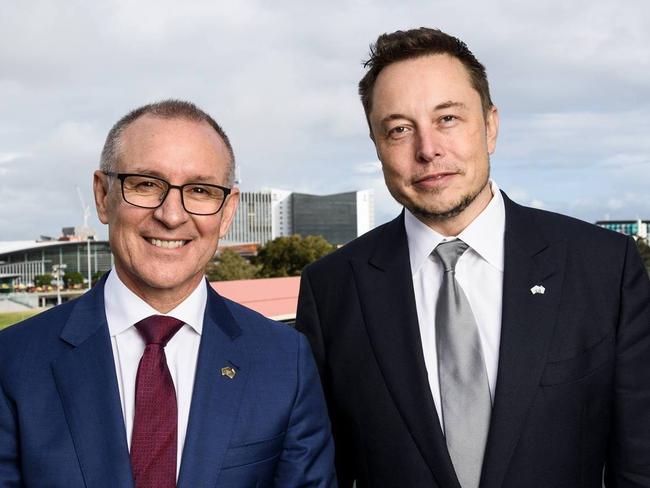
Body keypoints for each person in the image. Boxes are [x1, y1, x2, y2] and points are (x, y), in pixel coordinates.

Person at [296, 28, 650, 488]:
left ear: (491, 126)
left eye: (447, 119)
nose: (428, 150)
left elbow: (640, 466)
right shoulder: (332, 289)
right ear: (377, 145)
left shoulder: (603, 267)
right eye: (400, 129)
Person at [0, 100, 336, 488]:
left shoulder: (284, 362)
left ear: (227, 212)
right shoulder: (13, 364)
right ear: (102, 195)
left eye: (200, 190)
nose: (172, 215)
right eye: (146, 184)